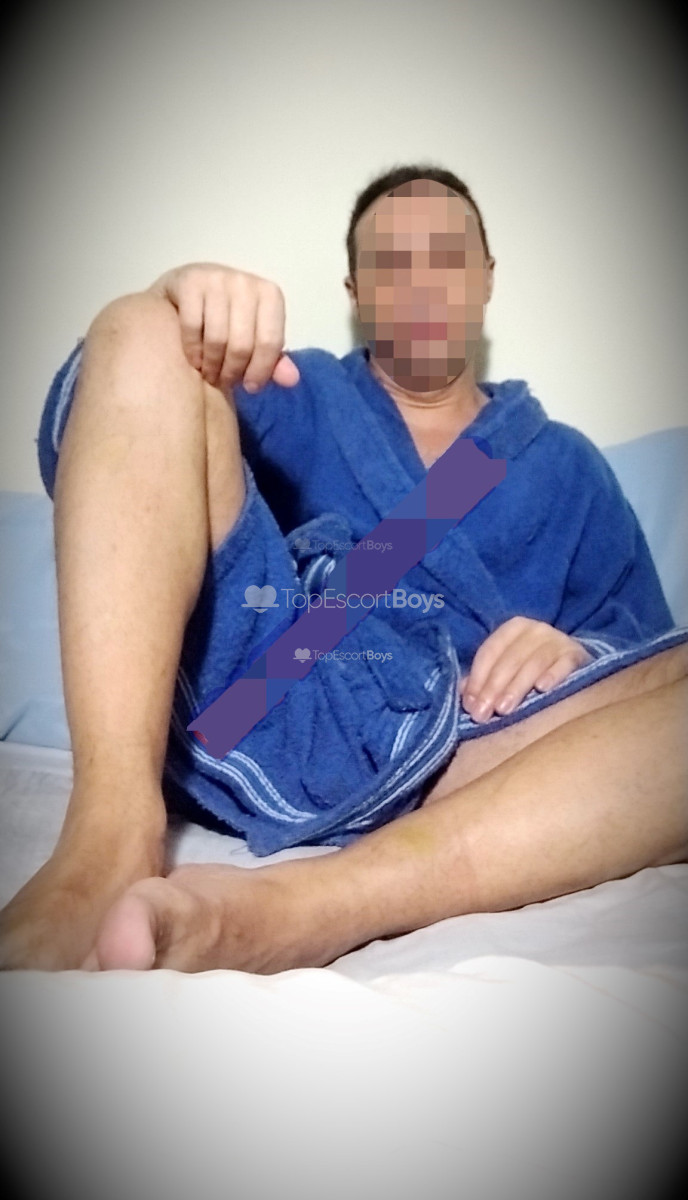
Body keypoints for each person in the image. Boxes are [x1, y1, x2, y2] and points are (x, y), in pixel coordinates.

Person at [1, 164, 686, 974]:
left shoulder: (567, 468)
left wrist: (576, 653)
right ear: (358, 292)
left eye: (446, 256)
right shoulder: (299, 391)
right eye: (392, 263)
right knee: (139, 327)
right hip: (259, 707)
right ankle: (108, 838)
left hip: (475, 757)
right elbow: (128, 422)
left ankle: (320, 903)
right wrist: (177, 306)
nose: (421, 282)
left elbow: (642, 663)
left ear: (486, 277)